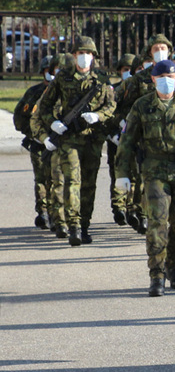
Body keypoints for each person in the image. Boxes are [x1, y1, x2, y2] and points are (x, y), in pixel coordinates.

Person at [115, 60, 175, 296]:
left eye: (171, 76)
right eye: (161, 77)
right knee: (158, 223)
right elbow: (126, 142)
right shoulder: (141, 106)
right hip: (154, 171)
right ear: (153, 80)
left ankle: (174, 267)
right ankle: (156, 275)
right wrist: (122, 174)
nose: (167, 81)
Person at [33, 38, 115, 246]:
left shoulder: (102, 79)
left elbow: (112, 106)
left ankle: (85, 225)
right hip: (69, 138)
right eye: (80, 52)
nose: (84, 56)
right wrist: (53, 124)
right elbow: (45, 106)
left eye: (88, 53)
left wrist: (98, 116)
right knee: (72, 180)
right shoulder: (62, 77)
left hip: (93, 139)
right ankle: (74, 226)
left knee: (89, 183)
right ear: (74, 55)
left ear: (94, 56)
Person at [113, 34, 175, 235]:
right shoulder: (139, 79)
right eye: (156, 48)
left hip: (172, 139)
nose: (160, 51)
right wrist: (120, 122)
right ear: (150, 53)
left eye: (163, 47)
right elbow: (114, 101)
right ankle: (144, 216)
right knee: (143, 179)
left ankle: (162, 218)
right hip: (143, 138)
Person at [13, 54, 54, 230]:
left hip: (58, 142)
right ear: (43, 72)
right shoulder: (34, 93)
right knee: (41, 178)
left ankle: (57, 212)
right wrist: (33, 135)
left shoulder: (64, 92)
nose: (51, 74)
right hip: (38, 143)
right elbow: (19, 118)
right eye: (48, 71)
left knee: (58, 178)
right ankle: (43, 211)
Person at [105, 53, 137, 226]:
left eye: (132, 70)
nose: (129, 73)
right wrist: (113, 131)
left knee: (134, 173)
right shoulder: (114, 90)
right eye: (125, 70)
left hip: (133, 138)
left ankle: (132, 207)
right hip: (116, 138)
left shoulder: (139, 89)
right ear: (119, 71)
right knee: (116, 172)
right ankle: (118, 207)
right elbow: (108, 112)